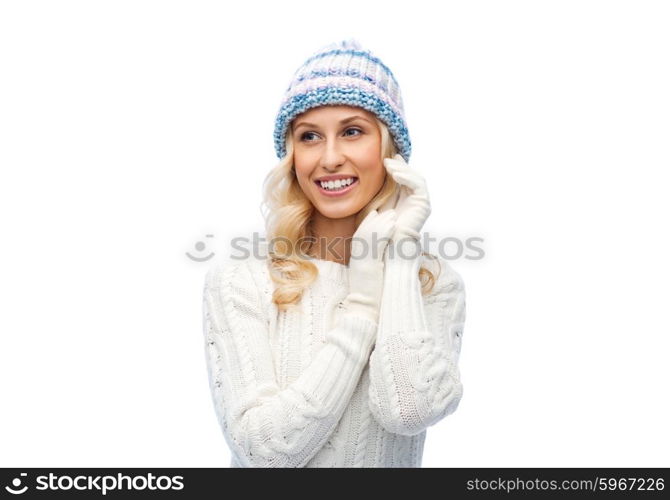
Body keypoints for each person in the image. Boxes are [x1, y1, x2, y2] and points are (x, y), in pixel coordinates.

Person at [202, 38, 466, 467]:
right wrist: (361, 309)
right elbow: (263, 451)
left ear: (390, 151)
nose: (329, 158)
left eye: (352, 131)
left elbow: (408, 410)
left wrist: (399, 257)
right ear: (292, 157)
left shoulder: (434, 286)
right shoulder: (242, 280)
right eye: (309, 136)